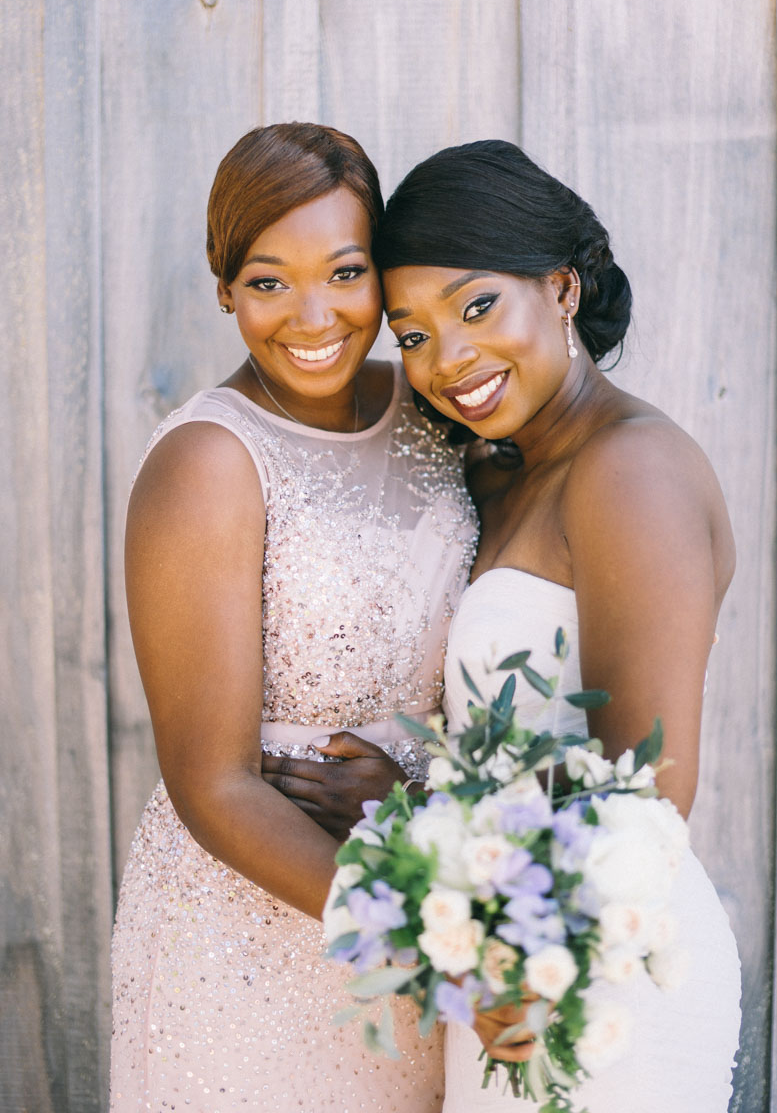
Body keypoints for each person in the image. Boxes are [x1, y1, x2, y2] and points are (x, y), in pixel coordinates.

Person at [280, 140, 742, 1111]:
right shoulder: (501, 472)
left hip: (595, 970)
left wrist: (409, 829)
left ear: (562, 287)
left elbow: (643, 791)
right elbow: (525, 745)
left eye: (475, 306)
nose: (447, 360)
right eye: (409, 334)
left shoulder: (631, 470)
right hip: (508, 966)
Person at [109, 122, 478, 1112]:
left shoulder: (434, 412)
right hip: (254, 932)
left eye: (345, 273)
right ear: (225, 286)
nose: (312, 316)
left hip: (421, 879)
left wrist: (424, 809)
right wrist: (436, 939)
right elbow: (212, 785)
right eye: (268, 281)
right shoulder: (206, 464)